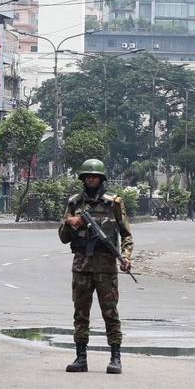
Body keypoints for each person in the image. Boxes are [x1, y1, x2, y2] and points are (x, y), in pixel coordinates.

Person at [57, 158, 134, 374]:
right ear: (83, 179)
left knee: (110, 313)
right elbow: (63, 238)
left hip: (106, 266)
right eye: (87, 176)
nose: (91, 179)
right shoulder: (74, 203)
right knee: (80, 313)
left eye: (95, 176)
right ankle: (81, 357)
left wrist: (126, 257)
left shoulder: (114, 203)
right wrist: (69, 223)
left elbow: (126, 234)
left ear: (101, 179)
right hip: (81, 266)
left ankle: (115, 357)